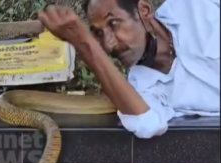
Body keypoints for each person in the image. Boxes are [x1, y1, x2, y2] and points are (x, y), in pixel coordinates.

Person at [37, 0, 220, 139]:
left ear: (144, 11)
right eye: (99, 34)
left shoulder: (194, 7)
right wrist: (84, 45)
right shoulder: (142, 89)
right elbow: (147, 124)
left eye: (114, 24)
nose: (109, 45)